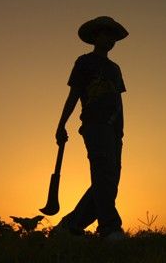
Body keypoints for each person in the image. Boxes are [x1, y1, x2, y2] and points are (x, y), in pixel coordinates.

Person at [54, 16, 128, 241]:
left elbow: (118, 101)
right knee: (103, 175)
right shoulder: (84, 62)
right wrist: (61, 124)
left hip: (114, 129)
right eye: (107, 35)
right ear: (96, 37)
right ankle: (109, 227)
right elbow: (74, 95)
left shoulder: (115, 69)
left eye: (114, 37)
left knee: (109, 179)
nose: (111, 40)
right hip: (94, 127)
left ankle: (70, 226)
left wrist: (120, 131)